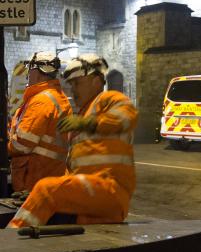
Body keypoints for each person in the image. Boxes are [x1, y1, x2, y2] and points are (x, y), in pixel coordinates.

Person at [8, 55, 138, 228]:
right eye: (70, 84)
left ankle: (7, 240)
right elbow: (74, 169)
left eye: (78, 83)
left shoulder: (109, 99)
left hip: (110, 189)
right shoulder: (82, 116)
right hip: (92, 196)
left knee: (46, 190)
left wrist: (90, 123)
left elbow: (127, 116)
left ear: (96, 81)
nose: (72, 89)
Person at [8, 51, 72, 194]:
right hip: (51, 174)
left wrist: (4, 149)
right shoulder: (57, 97)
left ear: (36, 71)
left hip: (34, 178)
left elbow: (22, 144)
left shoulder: (41, 101)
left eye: (29, 70)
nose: (27, 75)